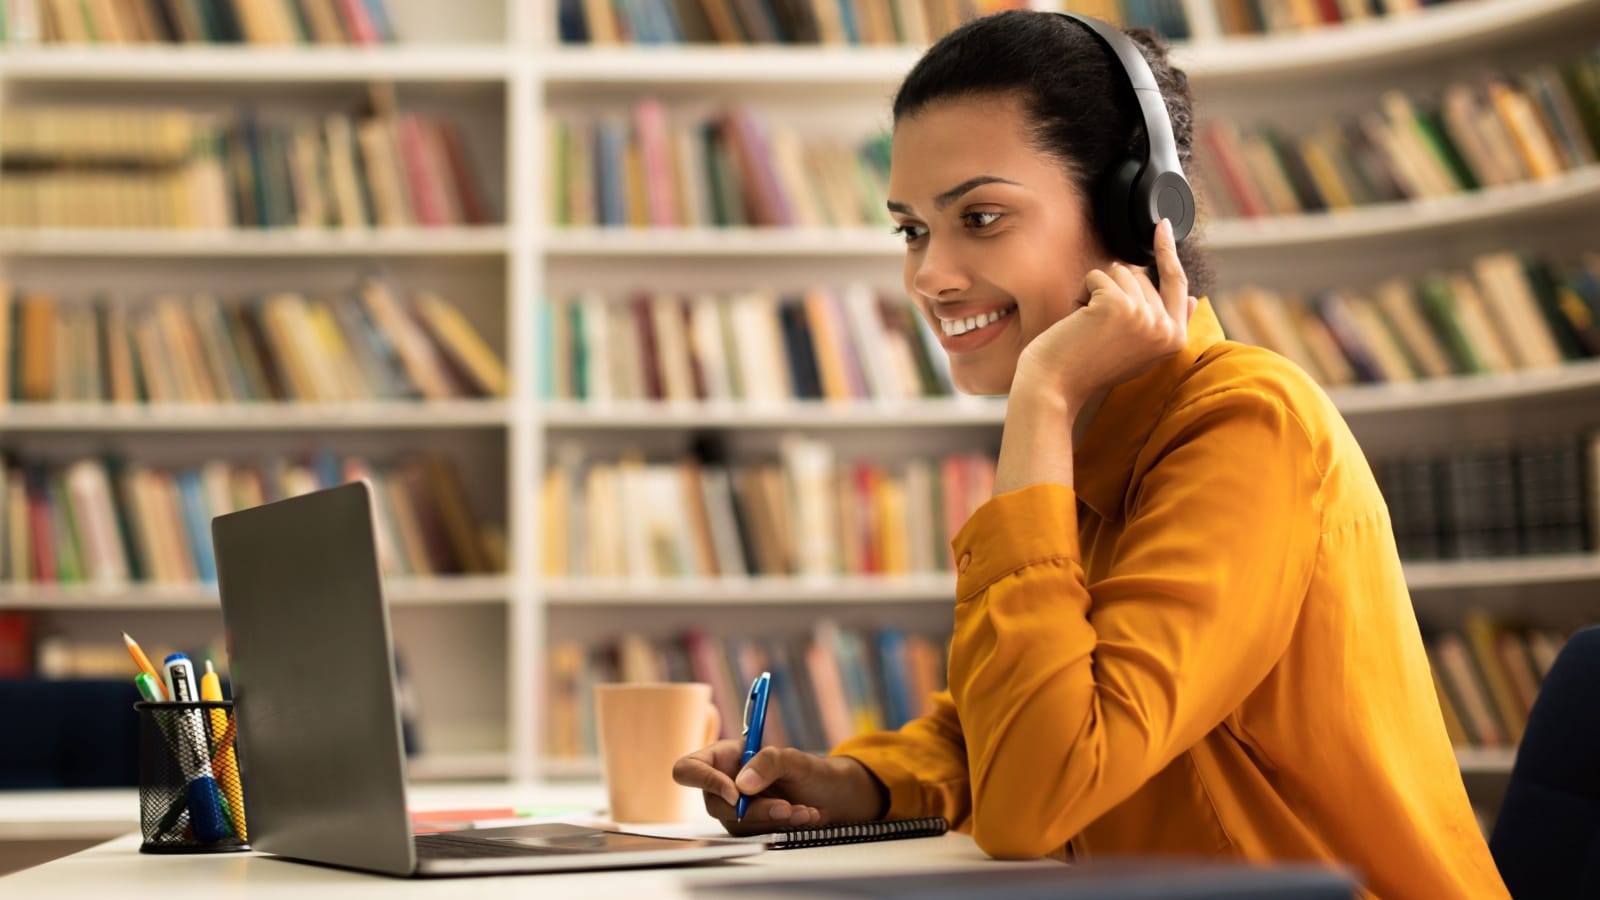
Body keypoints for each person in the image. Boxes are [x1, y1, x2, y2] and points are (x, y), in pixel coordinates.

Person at [672, 10, 1509, 898]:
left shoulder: (1248, 425)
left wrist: (1041, 393)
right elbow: (1009, 720)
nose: (929, 276)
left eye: (981, 217)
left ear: (1136, 216)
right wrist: (860, 783)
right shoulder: (1091, 444)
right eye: (912, 230)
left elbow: (1039, 792)